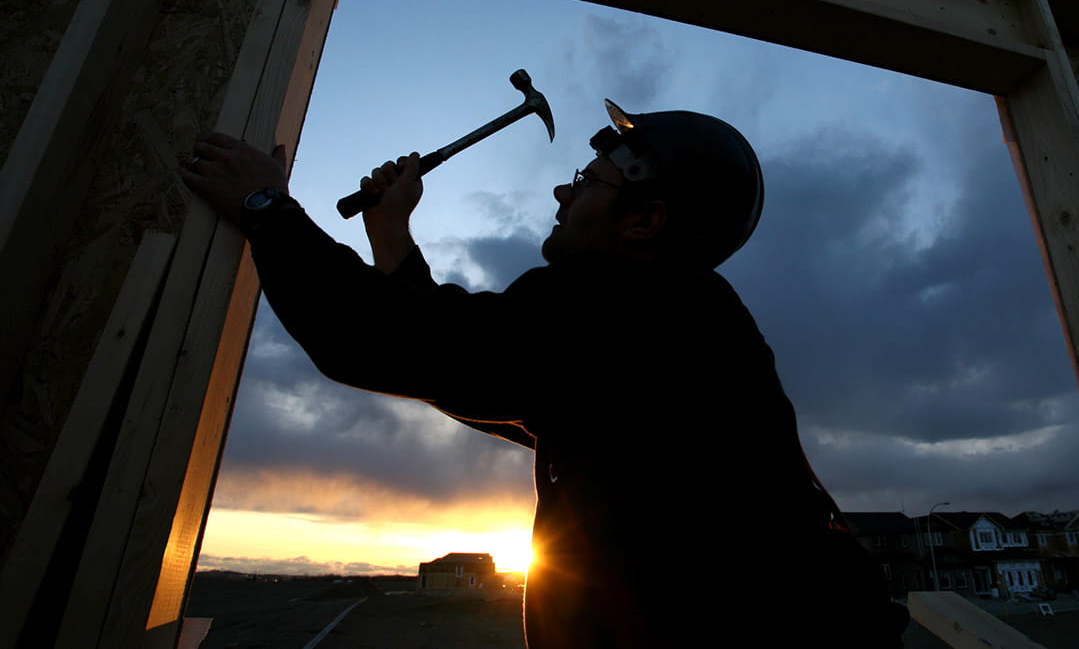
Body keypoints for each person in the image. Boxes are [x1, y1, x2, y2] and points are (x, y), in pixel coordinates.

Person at [183, 99, 908, 648]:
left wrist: (264, 206)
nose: (563, 195)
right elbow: (475, 374)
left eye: (585, 180)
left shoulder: (628, 303)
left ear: (643, 221)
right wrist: (394, 240)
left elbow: (387, 341)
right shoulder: (670, 326)